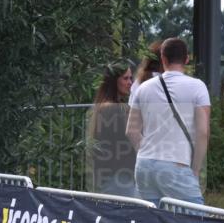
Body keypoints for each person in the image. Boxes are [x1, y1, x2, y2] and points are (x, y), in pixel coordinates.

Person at [126, 37, 211, 205]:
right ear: (187, 59)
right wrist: (195, 169)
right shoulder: (197, 87)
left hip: (144, 165)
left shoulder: (143, 88)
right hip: (177, 163)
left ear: (163, 59)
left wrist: (146, 152)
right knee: (194, 221)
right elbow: (203, 132)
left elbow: (131, 130)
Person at [88, 60, 137, 197]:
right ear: (114, 81)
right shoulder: (113, 109)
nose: (130, 82)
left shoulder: (105, 107)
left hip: (112, 175)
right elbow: (131, 138)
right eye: (125, 78)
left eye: (131, 78)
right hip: (119, 176)